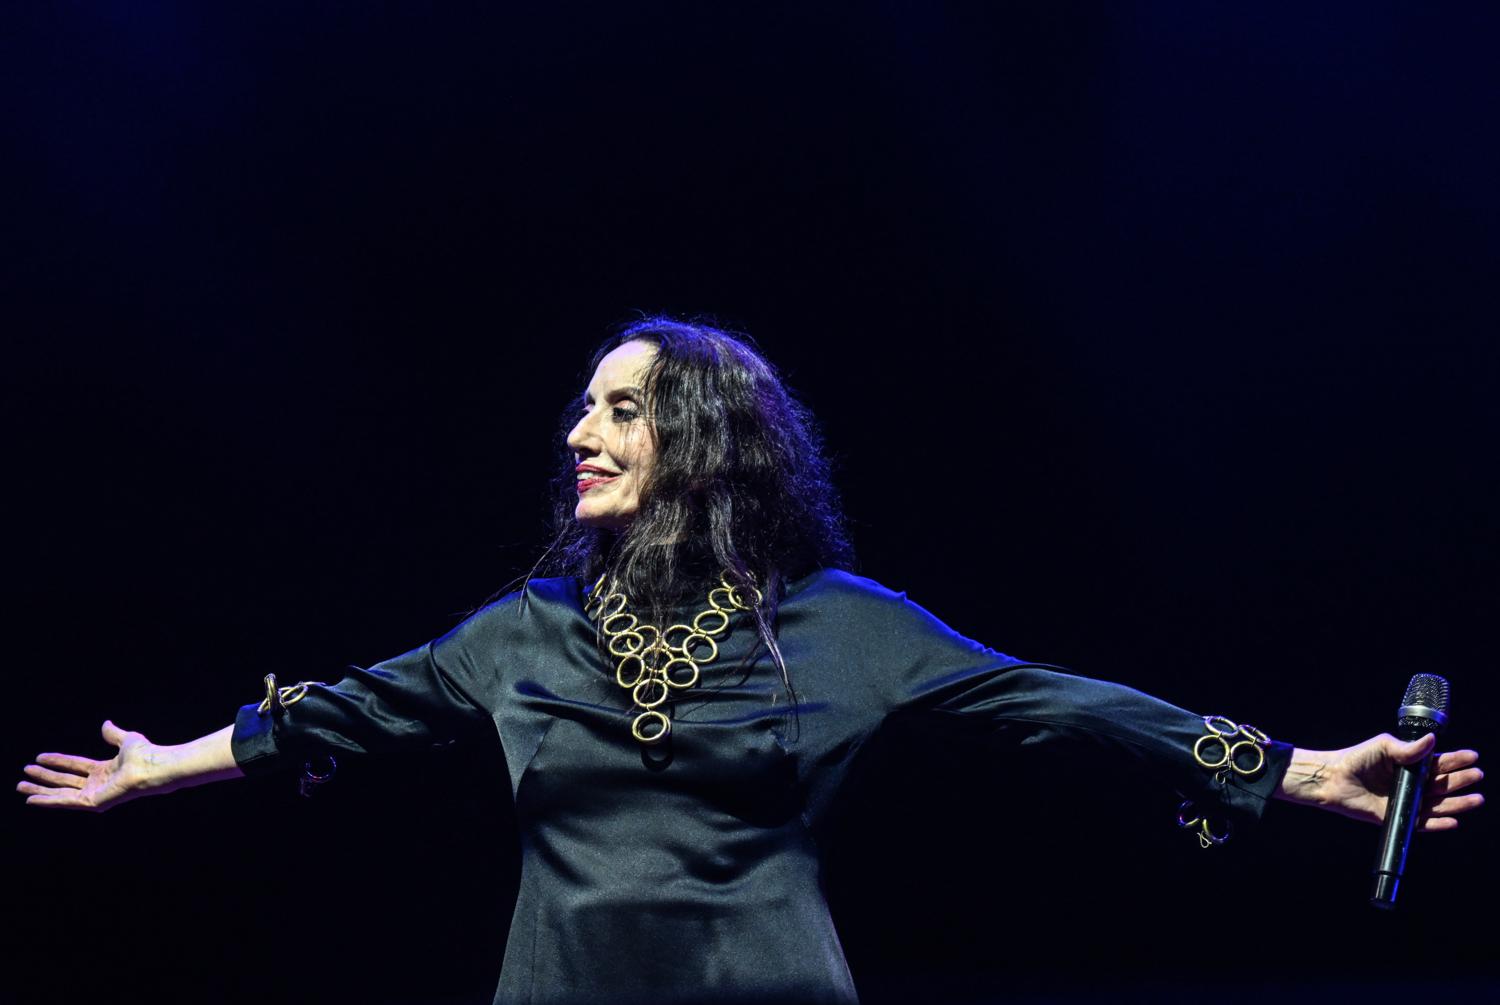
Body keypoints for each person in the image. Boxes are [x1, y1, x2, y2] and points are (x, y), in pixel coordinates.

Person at [18, 317, 1485, 1005]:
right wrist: (161, 769)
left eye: (621, 409)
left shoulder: (844, 625)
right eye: (583, 408)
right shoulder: (524, 627)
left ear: (704, 440)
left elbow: (1056, 704)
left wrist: (1300, 772)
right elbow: (357, 707)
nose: (580, 433)